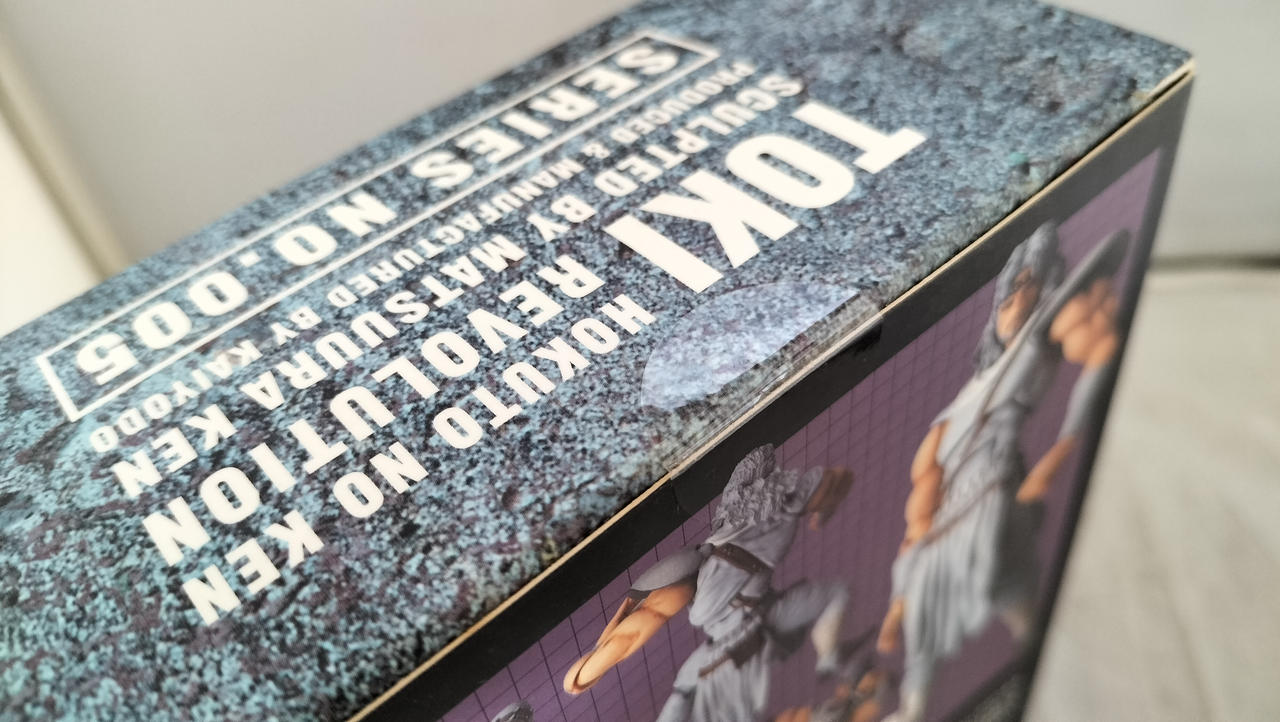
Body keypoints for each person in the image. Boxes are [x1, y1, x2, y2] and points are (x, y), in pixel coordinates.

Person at [876, 223, 1128, 721]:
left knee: (1014, 597)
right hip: (949, 519)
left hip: (991, 497)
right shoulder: (978, 380)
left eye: (1026, 284)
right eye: (1010, 288)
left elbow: (1098, 350)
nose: (1013, 299)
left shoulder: (1048, 325)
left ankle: (1037, 660)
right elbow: (927, 479)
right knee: (947, 614)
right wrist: (904, 586)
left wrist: (1055, 461)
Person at [564, 445, 856, 722]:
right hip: (744, 639)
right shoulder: (699, 573)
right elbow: (646, 621)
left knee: (835, 594)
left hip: (758, 619)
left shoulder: (776, 501)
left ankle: (829, 658)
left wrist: (589, 670)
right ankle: (828, 669)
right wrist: (590, 669)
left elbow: (838, 478)